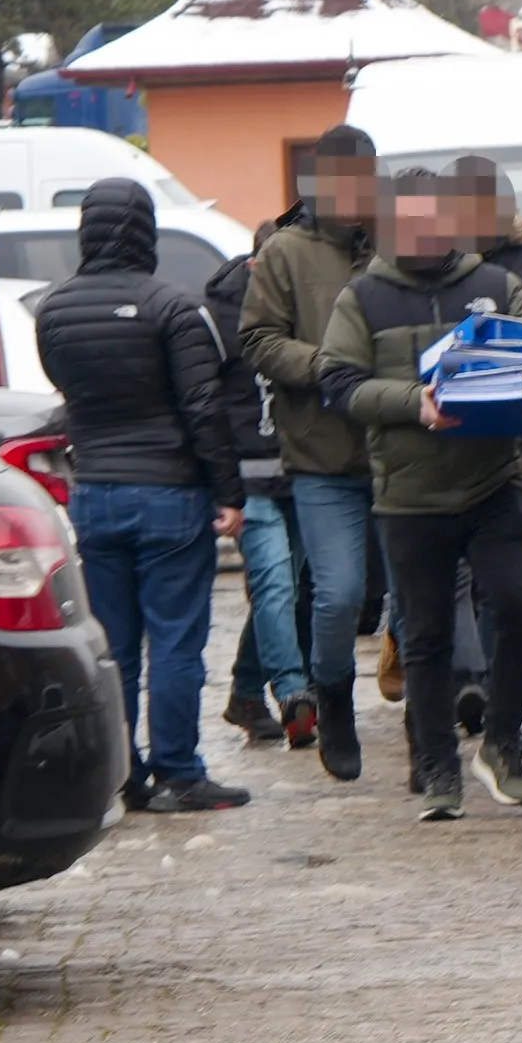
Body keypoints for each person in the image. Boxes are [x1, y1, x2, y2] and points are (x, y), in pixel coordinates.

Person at [319, 162, 522, 820]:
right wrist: (412, 402)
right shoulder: (362, 298)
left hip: (493, 483)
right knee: (424, 637)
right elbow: (338, 382)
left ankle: (501, 742)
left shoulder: (496, 284)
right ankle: (438, 767)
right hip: (409, 494)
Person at [34, 177, 249, 814]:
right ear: (146, 230)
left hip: (94, 493)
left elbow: (70, 396)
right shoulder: (173, 308)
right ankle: (181, 771)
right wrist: (228, 491)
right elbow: (203, 407)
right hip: (169, 495)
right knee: (177, 643)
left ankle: (123, 775)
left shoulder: (54, 309)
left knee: (116, 647)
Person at [240, 127, 378, 781]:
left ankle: (430, 736)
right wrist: (326, 366)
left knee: (425, 597)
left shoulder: (394, 246)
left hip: (401, 449)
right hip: (322, 456)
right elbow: (259, 340)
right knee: (338, 594)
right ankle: (335, 702)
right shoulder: (286, 253)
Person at [204, 231, 316, 751]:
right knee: (275, 586)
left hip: (303, 472)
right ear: (256, 264)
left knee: (284, 590)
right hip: (250, 480)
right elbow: (205, 406)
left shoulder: (311, 307)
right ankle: (294, 693)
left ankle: (246, 694)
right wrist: (221, 488)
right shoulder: (218, 318)